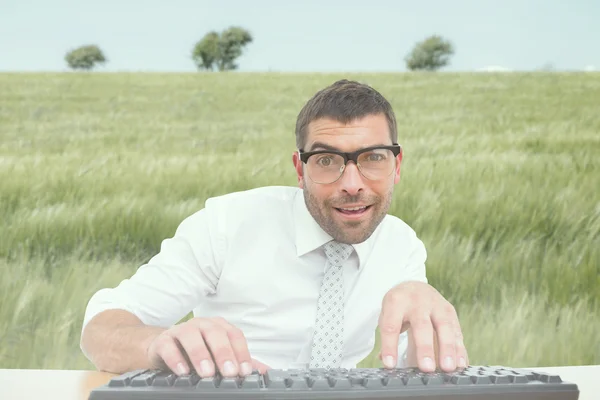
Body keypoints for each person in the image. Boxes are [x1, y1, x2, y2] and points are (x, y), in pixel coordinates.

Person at [80, 79, 469, 379]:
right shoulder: (227, 225)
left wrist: (433, 338)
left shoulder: (401, 246)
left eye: (373, 158)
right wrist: (157, 344)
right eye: (327, 160)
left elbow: (421, 372)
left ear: (397, 167)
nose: (352, 183)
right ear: (300, 170)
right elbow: (100, 330)